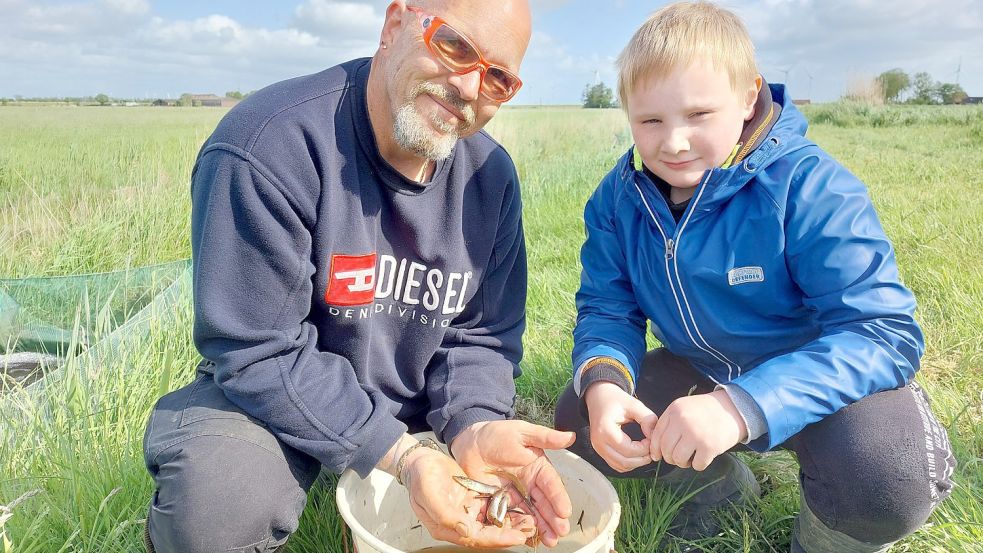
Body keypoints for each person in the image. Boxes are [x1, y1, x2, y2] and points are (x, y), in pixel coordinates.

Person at [141, 1, 578, 552]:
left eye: (497, 78)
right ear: (395, 25)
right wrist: (401, 453)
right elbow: (258, 351)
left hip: (415, 399)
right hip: (278, 394)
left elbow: (481, 337)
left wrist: (472, 424)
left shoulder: (489, 179)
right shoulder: (270, 145)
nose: (468, 87)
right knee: (219, 508)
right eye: (456, 47)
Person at [554, 2, 955, 552]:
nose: (673, 142)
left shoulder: (813, 189)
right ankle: (717, 489)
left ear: (747, 98)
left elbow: (884, 334)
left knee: (887, 477)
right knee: (580, 420)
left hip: (826, 386)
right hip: (703, 369)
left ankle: (824, 537)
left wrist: (740, 406)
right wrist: (603, 383)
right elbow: (607, 309)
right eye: (650, 121)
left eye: (698, 115)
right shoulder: (616, 201)